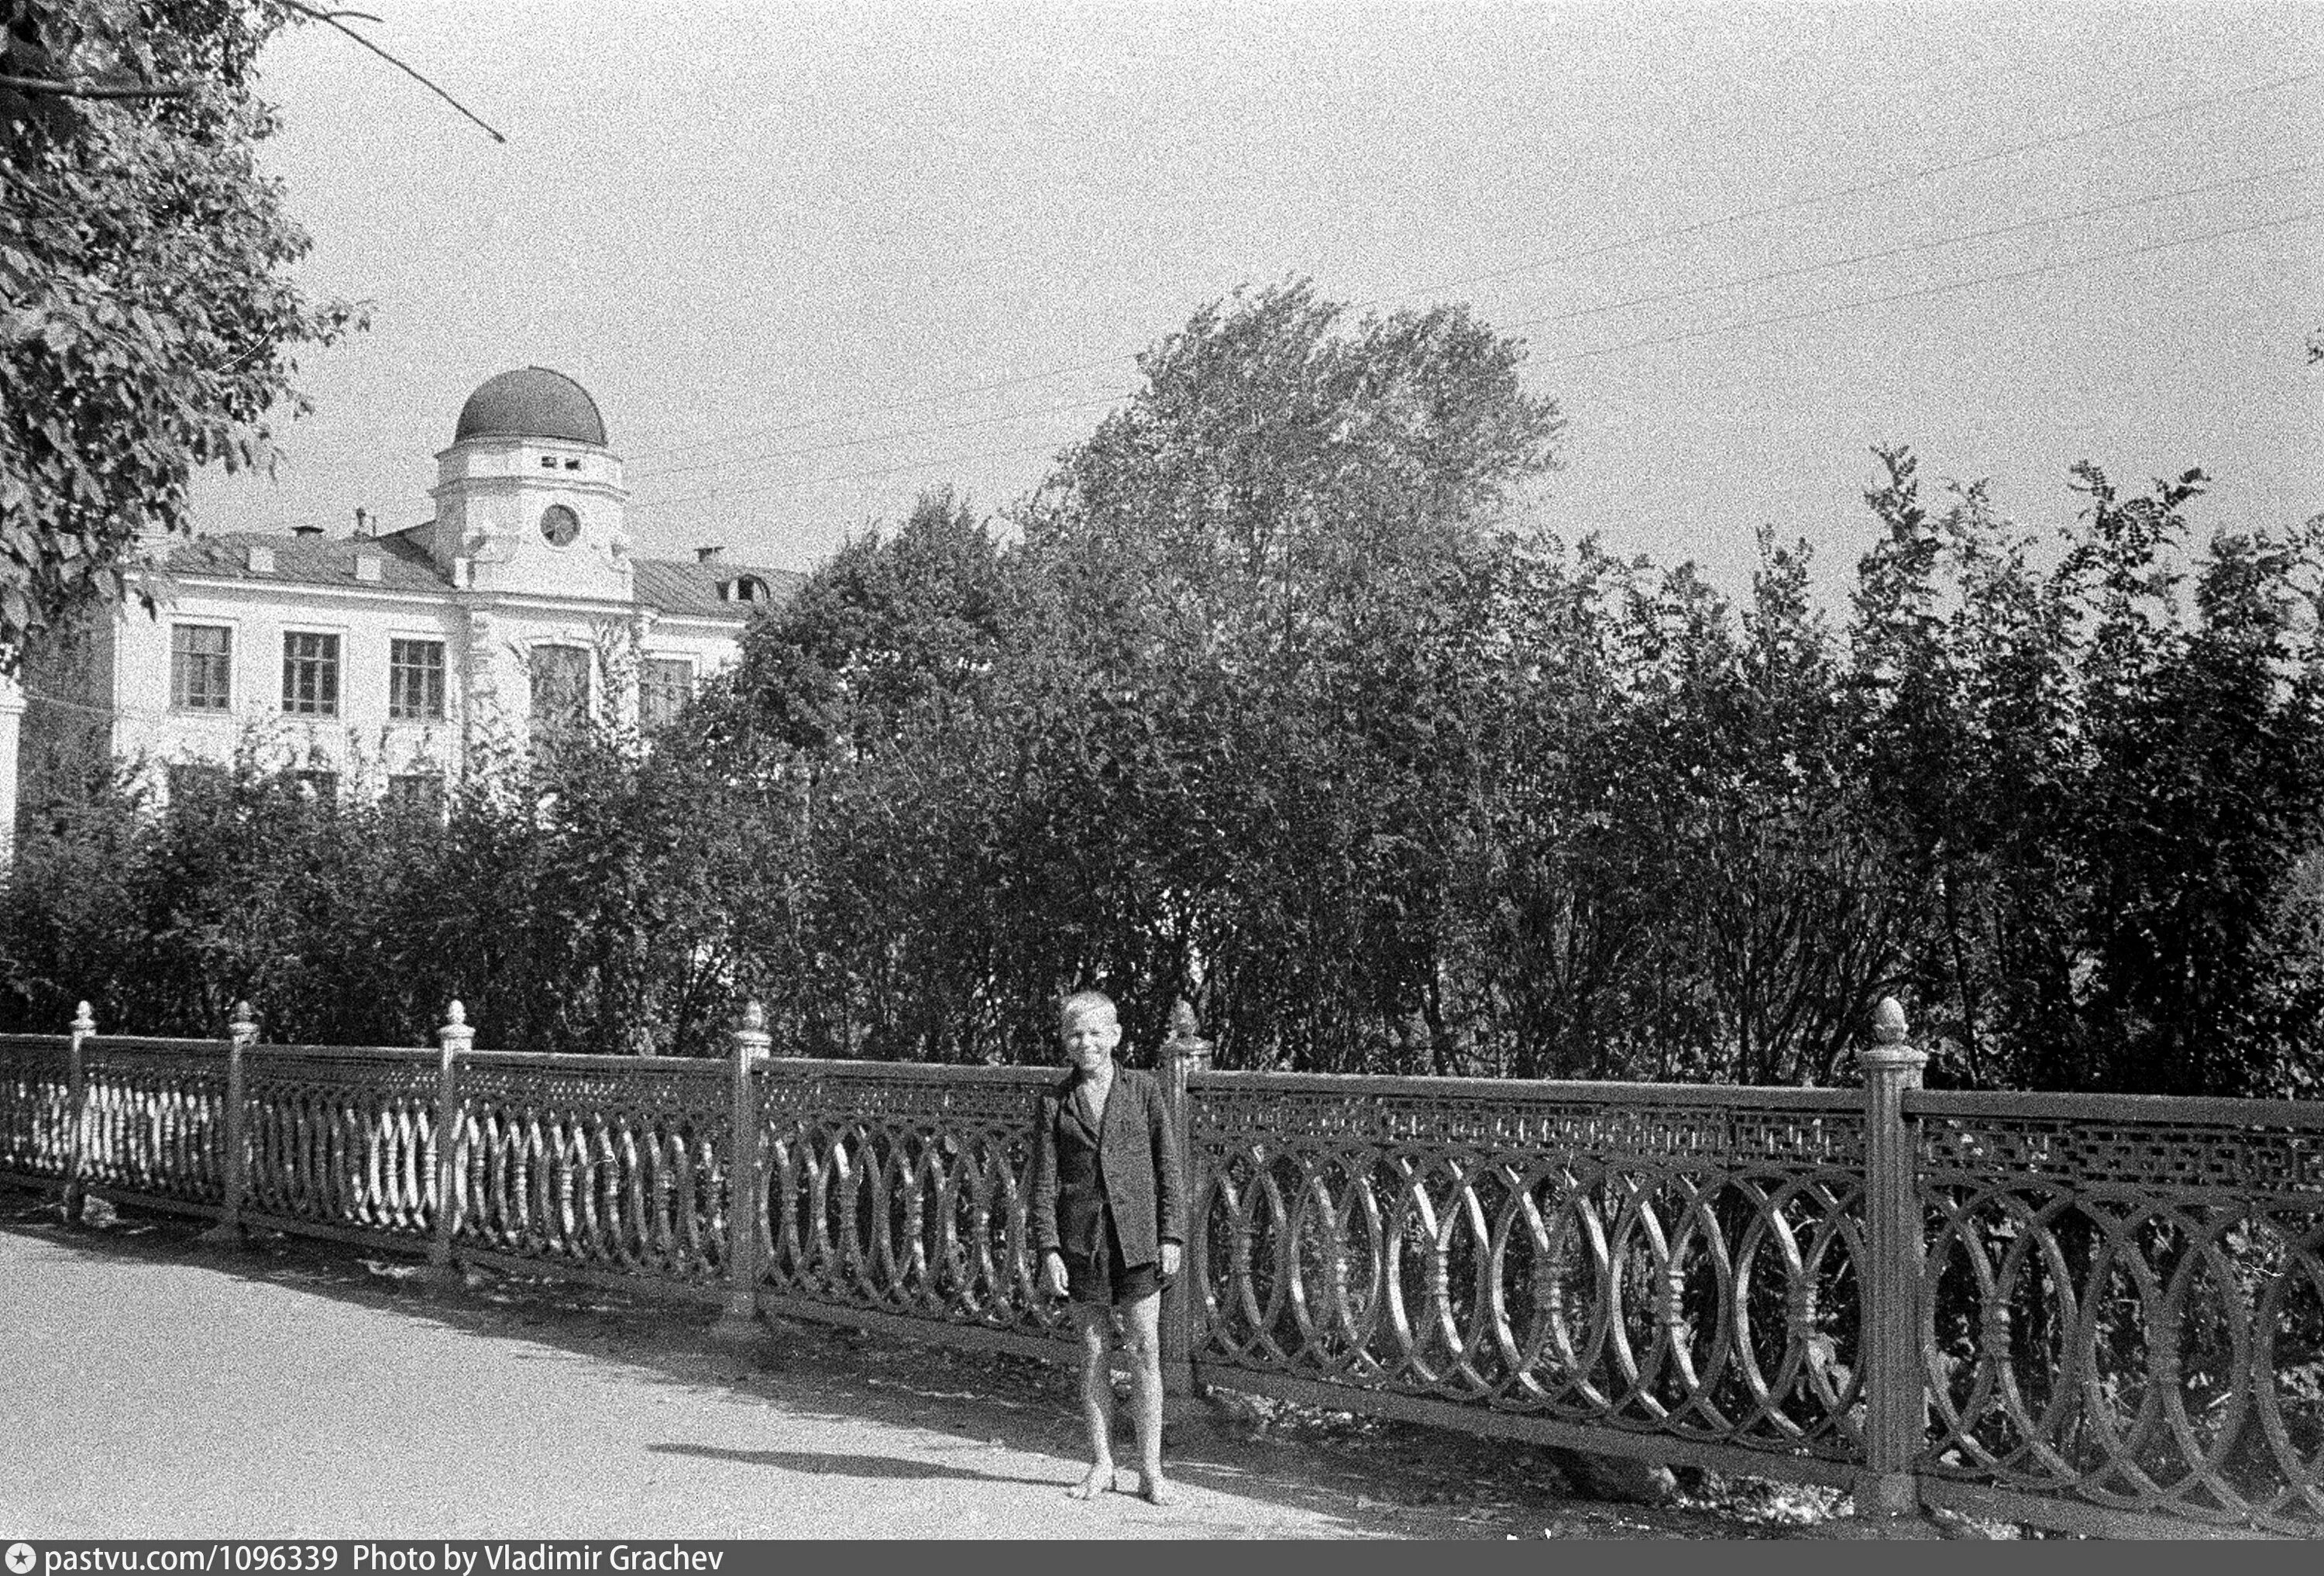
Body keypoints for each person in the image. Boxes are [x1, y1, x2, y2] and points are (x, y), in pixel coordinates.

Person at [1028, 989, 1186, 1505]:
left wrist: (1171, 1234)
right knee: (1094, 1352)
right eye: (1076, 1033)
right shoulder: (1055, 1103)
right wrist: (1049, 1248)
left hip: (1139, 1242)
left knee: (1145, 1350)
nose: (1086, 1043)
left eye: (1096, 1032)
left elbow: (1169, 1169)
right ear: (1065, 1040)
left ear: (1116, 1036)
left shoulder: (1144, 1092)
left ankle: (1151, 1471)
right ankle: (1102, 1464)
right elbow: (1045, 1184)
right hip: (1083, 1245)